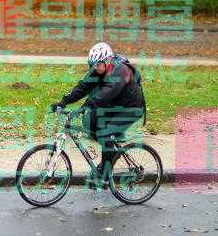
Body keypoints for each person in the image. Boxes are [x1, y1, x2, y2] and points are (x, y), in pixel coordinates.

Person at [50, 42, 146, 189]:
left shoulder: (122, 70)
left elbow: (109, 90)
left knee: (106, 133)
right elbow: (82, 87)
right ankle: (110, 153)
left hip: (131, 108)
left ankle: (105, 176)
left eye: (97, 65)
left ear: (107, 61)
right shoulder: (98, 69)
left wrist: (88, 104)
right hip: (115, 105)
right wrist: (63, 102)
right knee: (92, 120)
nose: (95, 68)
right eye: (92, 65)